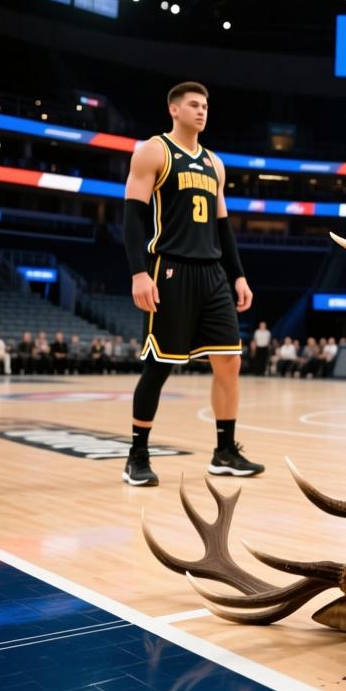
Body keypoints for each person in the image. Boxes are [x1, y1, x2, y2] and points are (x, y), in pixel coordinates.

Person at [122, 81, 263, 486]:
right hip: (170, 268)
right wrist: (138, 272)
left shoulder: (215, 163)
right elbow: (133, 216)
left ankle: (225, 451)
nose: (202, 111)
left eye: (205, 106)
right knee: (159, 366)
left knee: (230, 362)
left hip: (212, 273)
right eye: (194, 105)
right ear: (174, 109)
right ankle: (137, 456)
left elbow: (223, 227)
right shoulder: (154, 151)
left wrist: (238, 274)